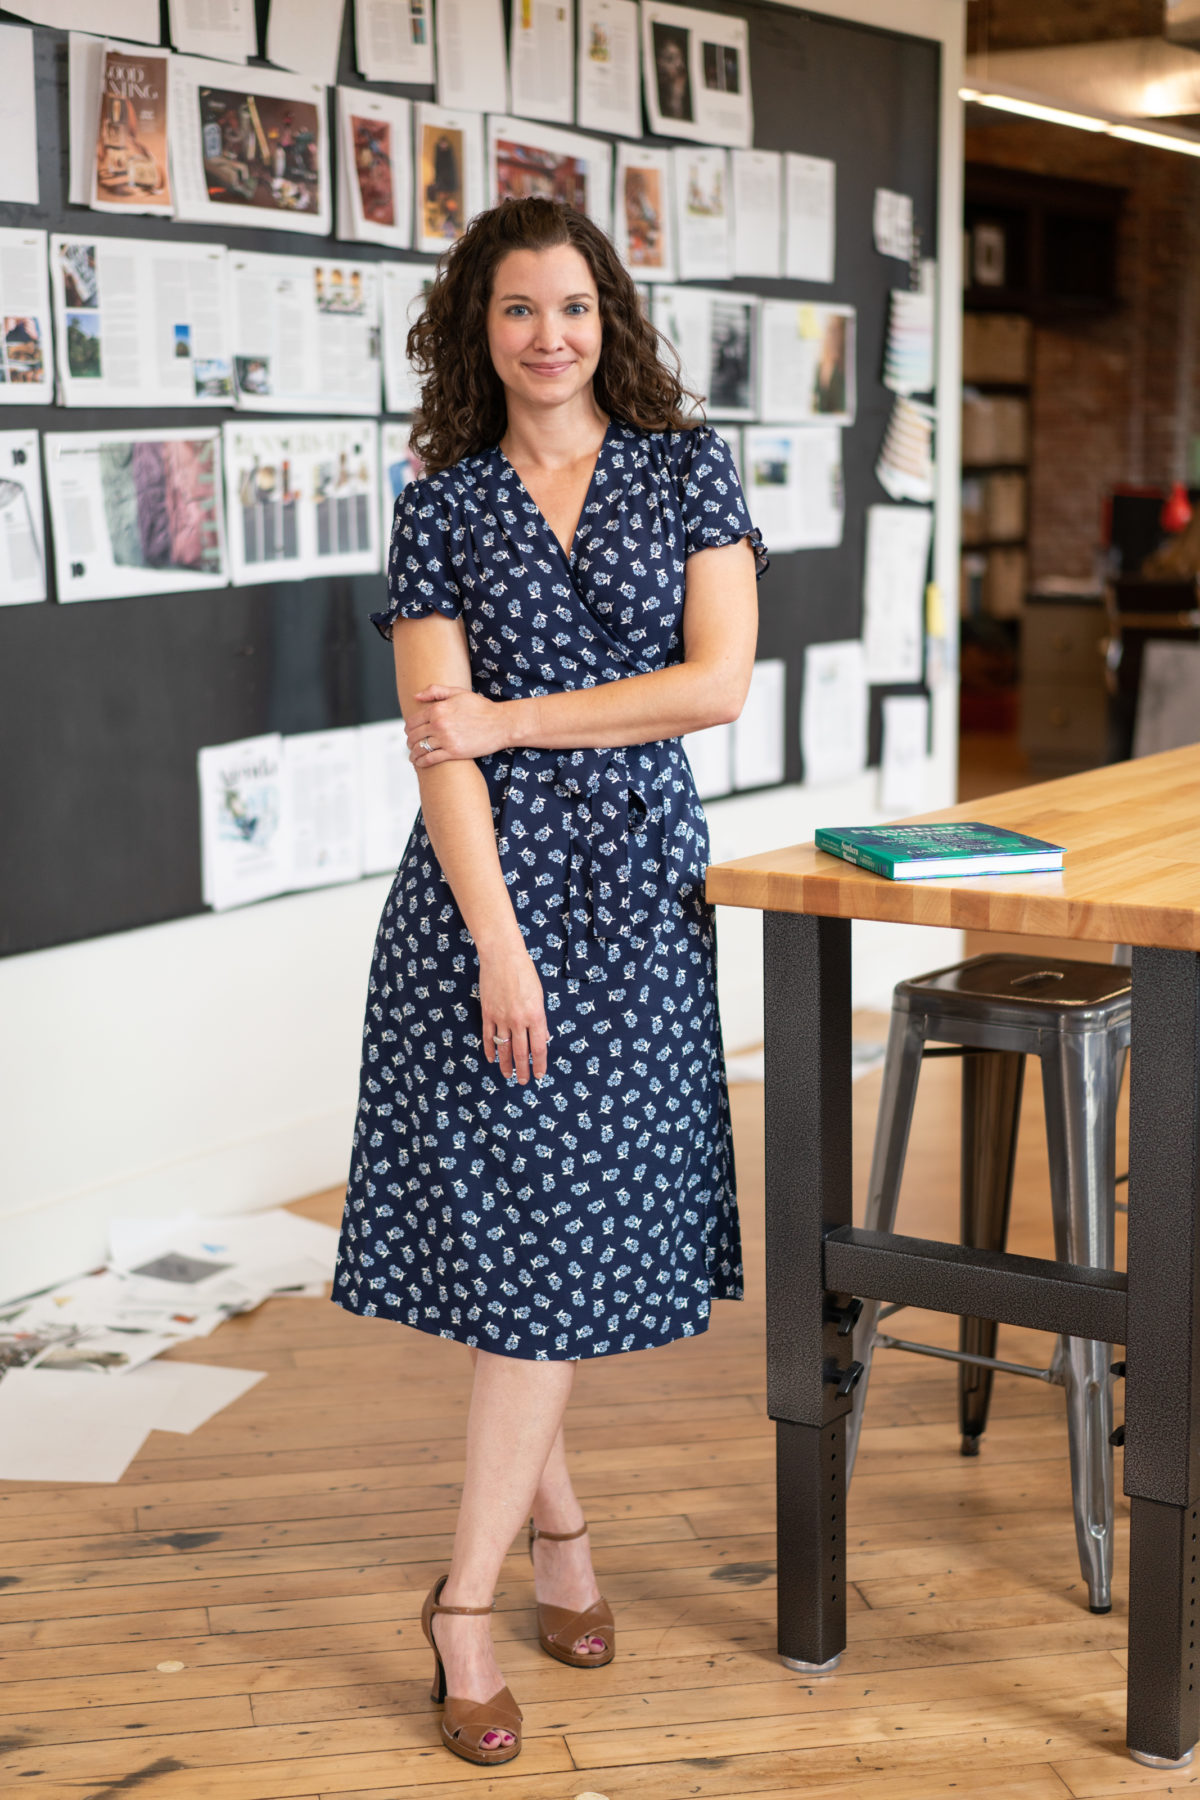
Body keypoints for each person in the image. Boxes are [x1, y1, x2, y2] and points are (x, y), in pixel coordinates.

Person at [330, 196, 767, 1769]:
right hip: (484, 912)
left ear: (609, 315)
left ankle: (553, 1536)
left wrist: (519, 720)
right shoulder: (440, 501)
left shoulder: (682, 466)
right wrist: (499, 941)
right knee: (531, 1236)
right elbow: (433, 755)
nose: (548, 335)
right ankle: (470, 1602)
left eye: (571, 305)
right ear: (479, 329)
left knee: (560, 1244)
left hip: (641, 901)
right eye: (516, 310)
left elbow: (717, 685)